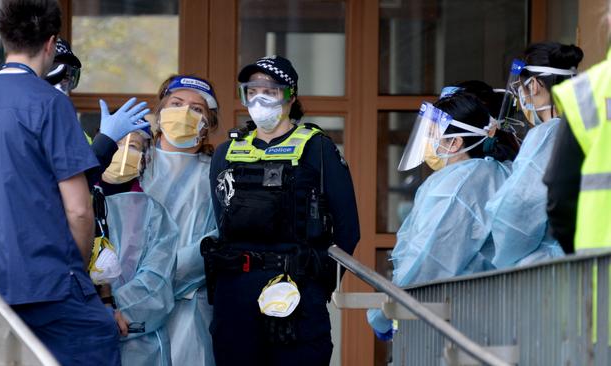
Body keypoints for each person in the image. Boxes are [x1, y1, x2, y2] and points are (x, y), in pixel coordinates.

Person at [0, 0, 119, 364]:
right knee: (100, 339)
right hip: (49, 281)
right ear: (51, 43)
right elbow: (79, 210)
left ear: (4, 40)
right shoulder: (50, 104)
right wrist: (76, 274)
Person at [205, 55, 360, 366]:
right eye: (252, 90)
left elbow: (348, 228)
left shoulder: (318, 148)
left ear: (291, 95)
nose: (259, 97)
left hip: (297, 289)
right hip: (236, 290)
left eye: (271, 90)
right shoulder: (227, 151)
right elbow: (222, 218)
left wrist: (317, 284)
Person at [367, 91, 516, 339]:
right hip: (481, 310)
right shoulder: (489, 172)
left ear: (455, 142)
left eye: (432, 135)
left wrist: (383, 310)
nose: (427, 142)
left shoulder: (457, 187)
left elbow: (428, 258)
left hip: (463, 317)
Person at [140, 74, 220, 366]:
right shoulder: (132, 164)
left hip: (188, 306)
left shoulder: (216, 174)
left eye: (197, 109)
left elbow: (214, 241)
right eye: (176, 103)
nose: (185, 112)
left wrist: (152, 287)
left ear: (208, 125)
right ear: (160, 111)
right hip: (127, 311)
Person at [486, 42, 583, 267]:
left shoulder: (546, 135)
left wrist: (500, 258)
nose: (521, 98)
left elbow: (517, 210)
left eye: (521, 88)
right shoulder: (583, 125)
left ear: (535, 85)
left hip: (549, 268)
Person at [94, 127, 180, 366]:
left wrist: (111, 310)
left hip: (141, 347)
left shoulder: (154, 214)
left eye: (134, 146)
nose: (122, 152)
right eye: (117, 142)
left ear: (145, 158)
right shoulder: (77, 204)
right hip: (84, 334)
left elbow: (157, 282)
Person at [545, 6, 611, 253]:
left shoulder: (588, 93)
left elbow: (560, 196)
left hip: (602, 275)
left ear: (608, 20)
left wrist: (576, 253)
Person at [44, 36, 151, 186]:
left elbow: (81, 182)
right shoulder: (23, 123)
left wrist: (104, 143)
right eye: (53, 72)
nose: (60, 83)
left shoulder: (79, 136)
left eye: (66, 77)